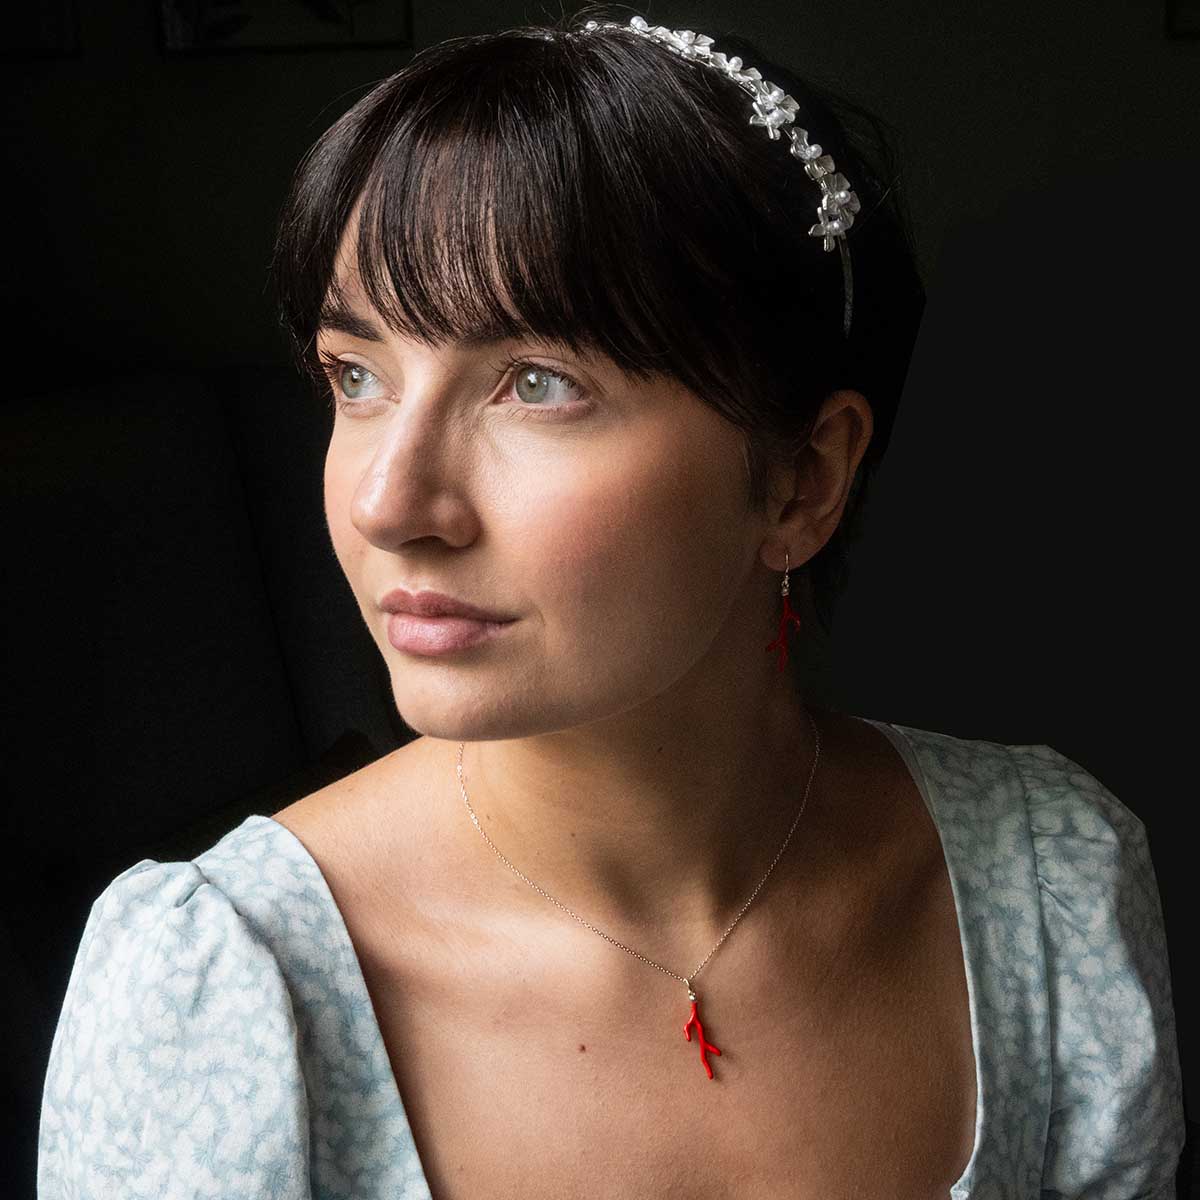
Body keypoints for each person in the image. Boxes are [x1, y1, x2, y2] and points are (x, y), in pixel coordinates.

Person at [37, 8, 1185, 1198]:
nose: (391, 501)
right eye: (356, 376)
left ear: (802, 479)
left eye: (537, 384)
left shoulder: (1051, 892)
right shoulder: (225, 984)